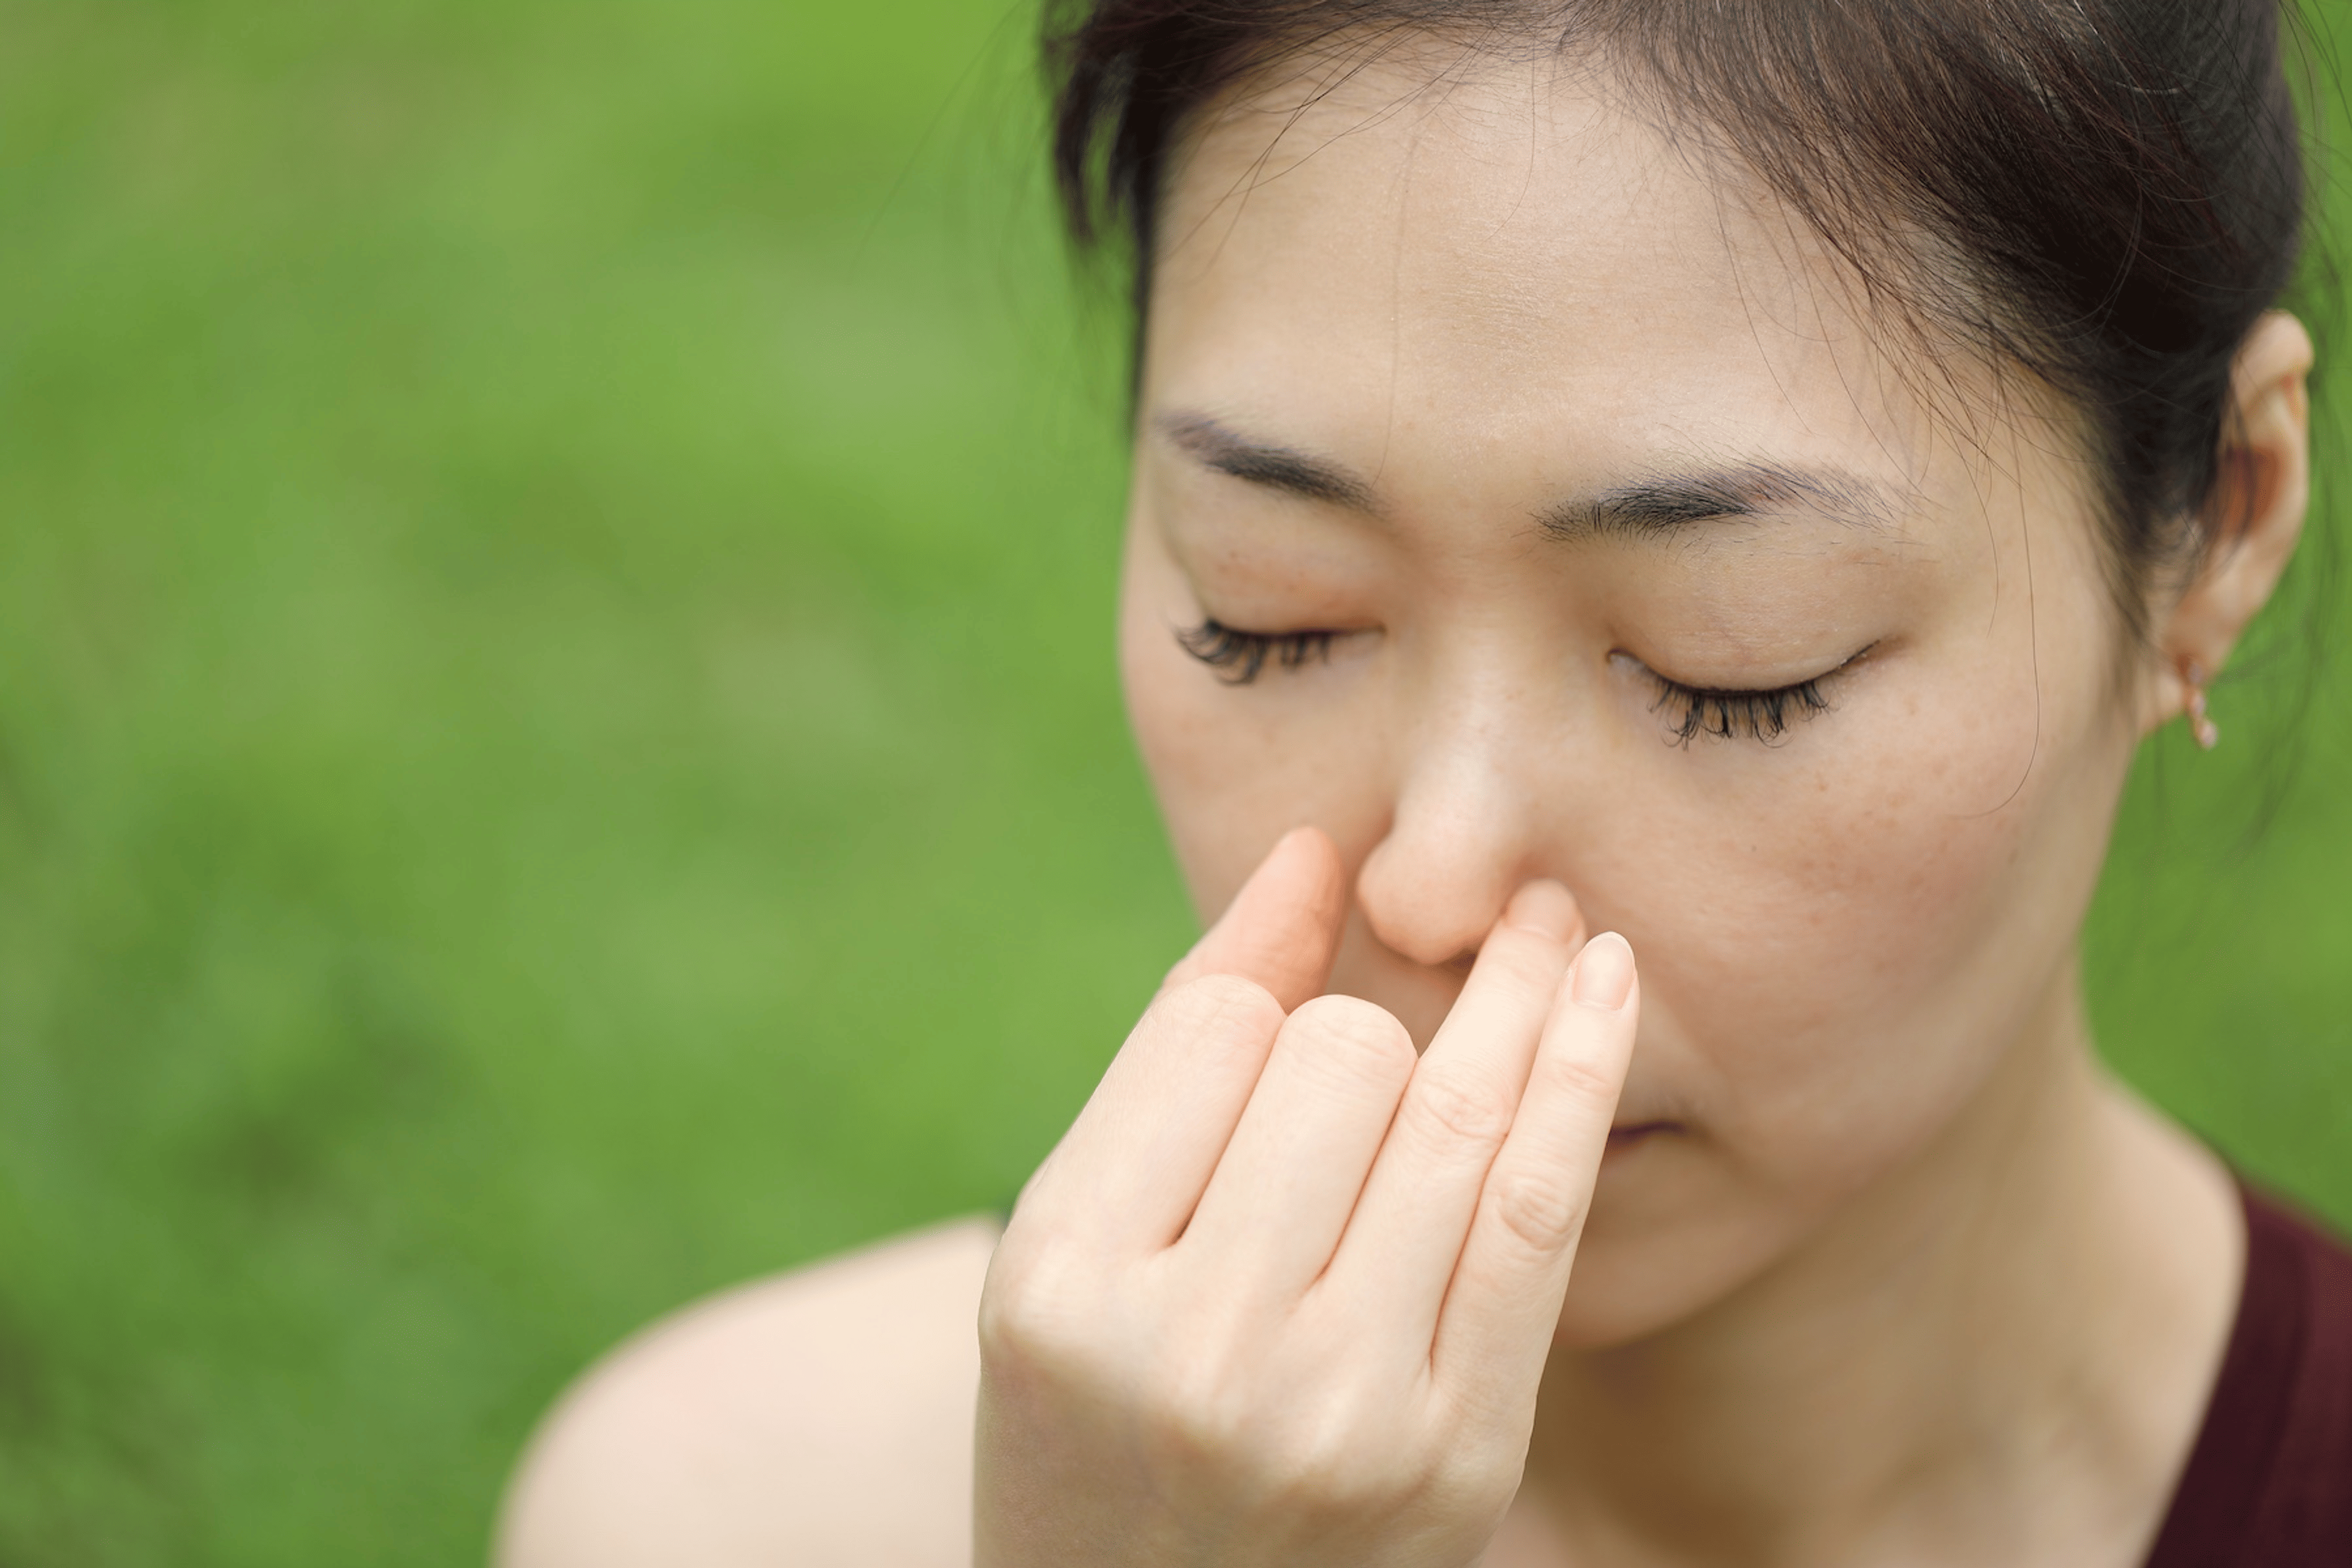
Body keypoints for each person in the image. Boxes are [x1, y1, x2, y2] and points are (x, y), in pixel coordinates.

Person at [495, 1, 2352, 1562]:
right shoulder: (720, 1507)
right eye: (1274, 617)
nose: (1437, 878)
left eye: (1733, 664)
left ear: (2223, 522)